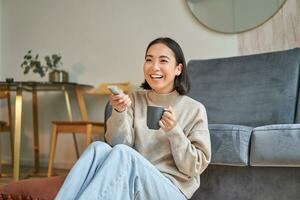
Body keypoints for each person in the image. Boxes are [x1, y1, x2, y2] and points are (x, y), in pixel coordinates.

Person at [55, 37, 211, 200]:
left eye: (163, 60)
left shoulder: (194, 109)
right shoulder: (135, 100)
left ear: (178, 69)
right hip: (133, 182)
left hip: (171, 191)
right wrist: (119, 112)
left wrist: (174, 132)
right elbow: (116, 145)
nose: (154, 67)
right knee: (98, 148)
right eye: (149, 60)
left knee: (123, 153)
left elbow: (195, 167)